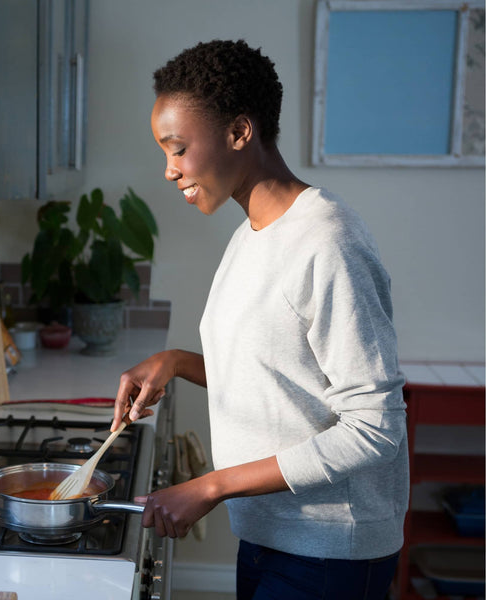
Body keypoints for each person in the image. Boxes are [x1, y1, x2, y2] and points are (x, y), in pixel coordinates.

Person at [111, 40, 408, 600]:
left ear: (239, 131)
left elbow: (375, 428)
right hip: (271, 532)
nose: (169, 171)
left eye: (177, 150)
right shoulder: (250, 235)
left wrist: (214, 486)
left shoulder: (328, 243)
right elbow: (282, 376)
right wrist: (176, 363)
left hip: (329, 550)